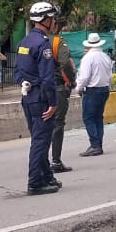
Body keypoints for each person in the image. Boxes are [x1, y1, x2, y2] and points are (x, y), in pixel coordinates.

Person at [14, 1, 64, 195]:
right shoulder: (43, 44)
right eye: (52, 19)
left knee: (38, 138)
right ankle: (35, 182)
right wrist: (52, 103)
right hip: (41, 97)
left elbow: (17, 72)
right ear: (46, 20)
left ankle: (46, 176)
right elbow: (48, 78)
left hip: (28, 96)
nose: (54, 22)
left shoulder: (24, 42)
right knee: (41, 141)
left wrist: (26, 84)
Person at [46, 12, 77, 174]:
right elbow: (65, 63)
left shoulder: (31, 41)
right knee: (58, 124)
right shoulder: (57, 41)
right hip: (57, 87)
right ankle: (56, 161)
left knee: (42, 125)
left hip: (38, 90)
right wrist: (71, 80)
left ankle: (41, 161)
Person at [74, 32, 113, 156]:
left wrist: (78, 88)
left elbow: (84, 77)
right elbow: (110, 75)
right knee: (98, 118)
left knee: (89, 118)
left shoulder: (87, 58)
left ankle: (95, 145)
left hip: (93, 90)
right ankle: (98, 144)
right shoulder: (105, 57)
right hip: (104, 89)